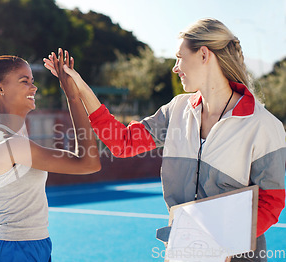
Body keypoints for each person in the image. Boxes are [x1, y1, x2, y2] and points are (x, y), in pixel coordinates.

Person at [44, 18, 285, 261]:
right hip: (186, 249)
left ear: (203, 54)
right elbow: (123, 143)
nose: (175, 67)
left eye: (179, 57)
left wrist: (219, 243)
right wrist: (81, 87)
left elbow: (271, 201)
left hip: (238, 254)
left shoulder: (263, 125)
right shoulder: (177, 110)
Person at [0, 53, 101, 262]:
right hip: (11, 251)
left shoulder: (14, 133)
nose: (34, 87)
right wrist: (73, 97)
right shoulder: (10, 143)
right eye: (25, 81)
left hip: (35, 245)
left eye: (33, 81)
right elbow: (88, 163)